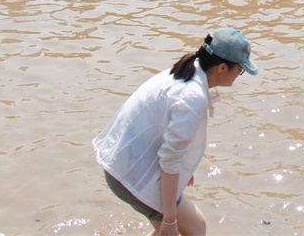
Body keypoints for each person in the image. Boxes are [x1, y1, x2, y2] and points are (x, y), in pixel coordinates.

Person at [94, 29, 258, 235]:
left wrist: (180, 170)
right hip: (130, 174)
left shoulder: (185, 71)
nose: (239, 75)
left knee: (177, 227)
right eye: (240, 69)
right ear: (223, 68)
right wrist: (170, 220)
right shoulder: (192, 97)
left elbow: (167, 136)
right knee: (195, 227)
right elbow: (169, 160)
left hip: (121, 163)